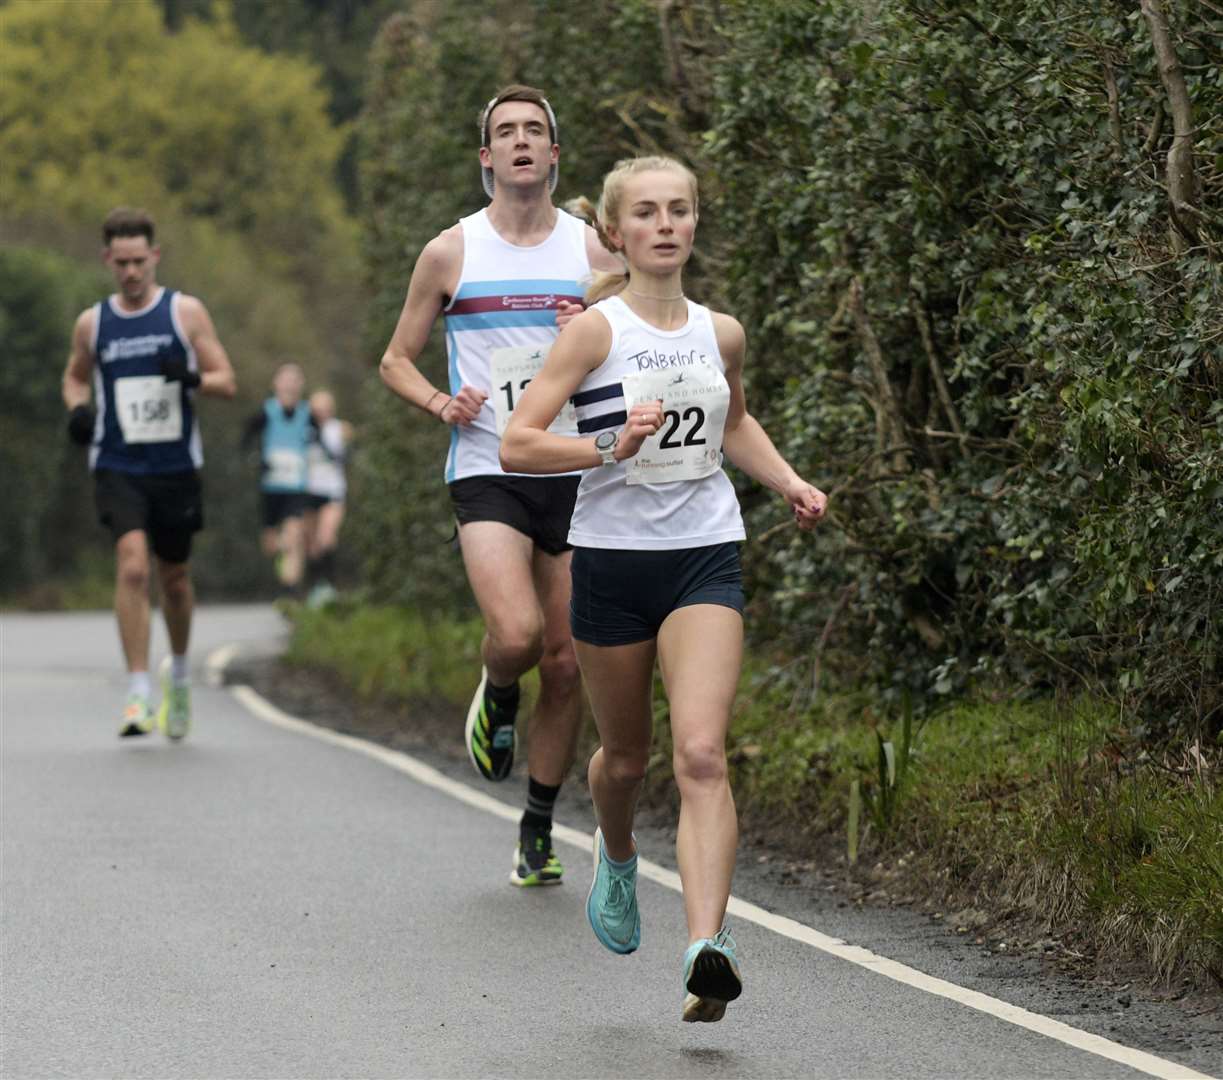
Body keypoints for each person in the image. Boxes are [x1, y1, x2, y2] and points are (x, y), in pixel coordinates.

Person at [500, 156, 828, 1021]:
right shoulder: (592, 334)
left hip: (703, 556)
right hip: (609, 562)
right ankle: (614, 856)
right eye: (645, 213)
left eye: (679, 210)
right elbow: (519, 444)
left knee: (700, 755)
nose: (665, 224)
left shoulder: (721, 332)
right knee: (623, 762)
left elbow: (737, 420)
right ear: (615, 232)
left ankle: (704, 949)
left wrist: (786, 481)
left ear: (693, 225)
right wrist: (609, 446)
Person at [379, 84, 622, 887]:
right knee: (517, 636)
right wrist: (441, 402)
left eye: (535, 131)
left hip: (573, 467)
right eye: (505, 133)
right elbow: (395, 359)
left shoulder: (597, 254)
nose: (521, 142)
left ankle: (537, 826)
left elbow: (641, 349)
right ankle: (493, 687)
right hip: (487, 464)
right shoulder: (452, 251)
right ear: (487, 158)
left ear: (554, 154)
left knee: (564, 662)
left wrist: (588, 334)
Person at [62, 206, 237, 739]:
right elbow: (73, 379)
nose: (131, 272)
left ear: (155, 256)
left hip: (175, 465)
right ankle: (139, 691)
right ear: (107, 260)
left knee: (174, 578)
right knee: (133, 566)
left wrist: (189, 377)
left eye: (139, 261)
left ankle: (178, 675)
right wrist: (77, 411)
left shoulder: (185, 313)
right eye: (122, 263)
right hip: (118, 463)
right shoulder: (93, 323)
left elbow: (226, 380)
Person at [242, 363, 312, 593]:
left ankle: (289, 591)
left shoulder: (307, 414)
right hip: (271, 487)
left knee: (294, 535)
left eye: (295, 379)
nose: (290, 384)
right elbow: (245, 440)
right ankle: (285, 566)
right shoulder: (266, 411)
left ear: (301, 384)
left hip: (296, 486)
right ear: (276, 384)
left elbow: (324, 440)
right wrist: (256, 459)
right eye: (286, 379)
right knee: (271, 545)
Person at [303, 388, 352, 607]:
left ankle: (330, 587)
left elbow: (343, 457)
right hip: (308, 490)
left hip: (332, 491)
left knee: (327, 537)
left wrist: (320, 440)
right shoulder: (302, 430)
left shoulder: (340, 429)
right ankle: (315, 587)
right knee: (312, 544)